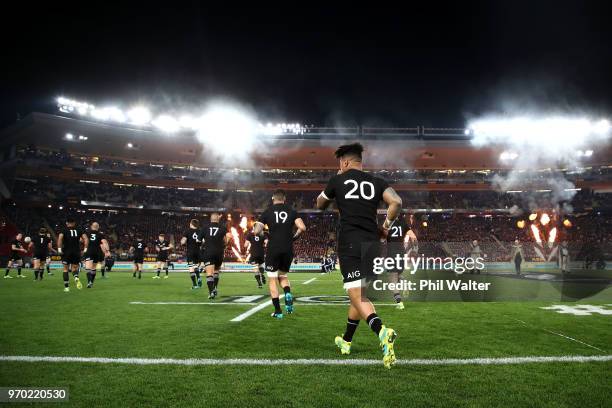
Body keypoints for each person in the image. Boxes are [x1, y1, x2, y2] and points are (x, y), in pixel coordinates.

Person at [316, 142, 402, 369]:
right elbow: (396, 202)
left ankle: (381, 331)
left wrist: (335, 180)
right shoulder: (377, 182)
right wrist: (385, 226)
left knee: (356, 294)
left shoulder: (338, 179)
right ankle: (346, 340)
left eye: (340, 164)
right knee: (359, 294)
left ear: (344, 162)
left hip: (350, 243)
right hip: (373, 246)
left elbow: (320, 205)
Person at [254, 190, 306, 318]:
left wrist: (263, 234)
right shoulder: (292, 211)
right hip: (288, 248)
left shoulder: (267, 212)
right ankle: (287, 292)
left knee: (272, 279)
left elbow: (256, 231)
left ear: (273, 198)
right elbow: (303, 227)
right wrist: (294, 237)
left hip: (273, 248)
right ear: (284, 199)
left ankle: (278, 311)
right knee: (282, 276)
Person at [382, 213, 410, 310]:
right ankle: (405, 284)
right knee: (398, 274)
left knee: (392, 279)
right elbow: (412, 235)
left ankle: (399, 303)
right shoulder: (403, 223)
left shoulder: (387, 223)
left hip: (392, 252)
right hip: (401, 252)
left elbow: (382, 238)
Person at [201, 213, 231, 299]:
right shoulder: (222, 227)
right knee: (216, 271)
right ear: (218, 219)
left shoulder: (205, 227)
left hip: (208, 252)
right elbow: (227, 239)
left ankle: (211, 292)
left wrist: (205, 242)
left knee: (209, 273)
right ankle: (215, 288)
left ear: (210, 219)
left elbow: (199, 240)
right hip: (219, 253)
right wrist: (226, 241)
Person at [57, 218, 87, 291]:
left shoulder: (64, 230)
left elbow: (60, 238)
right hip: (76, 252)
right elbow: (86, 238)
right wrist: (85, 249)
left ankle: (67, 287)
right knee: (74, 268)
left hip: (66, 252)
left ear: (67, 223)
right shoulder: (79, 229)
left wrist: (59, 249)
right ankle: (76, 277)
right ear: (74, 223)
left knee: (65, 269)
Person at [82, 222, 110, 288]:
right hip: (96, 252)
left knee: (88, 267)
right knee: (94, 268)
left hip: (88, 251)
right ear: (98, 227)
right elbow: (105, 242)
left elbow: (81, 240)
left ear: (91, 226)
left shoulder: (87, 233)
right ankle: (91, 282)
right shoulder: (100, 234)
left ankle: (89, 282)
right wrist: (107, 251)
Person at [180, 219, 203, 290]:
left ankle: (195, 285)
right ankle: (198, 277)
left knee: (191, 268)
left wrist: (182, 242)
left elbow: (183, 242)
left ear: (191, 224)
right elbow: (203, 241)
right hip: (198, 251)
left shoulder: (187, 231)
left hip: (190, 251)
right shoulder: (200, 231)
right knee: (196, 266)